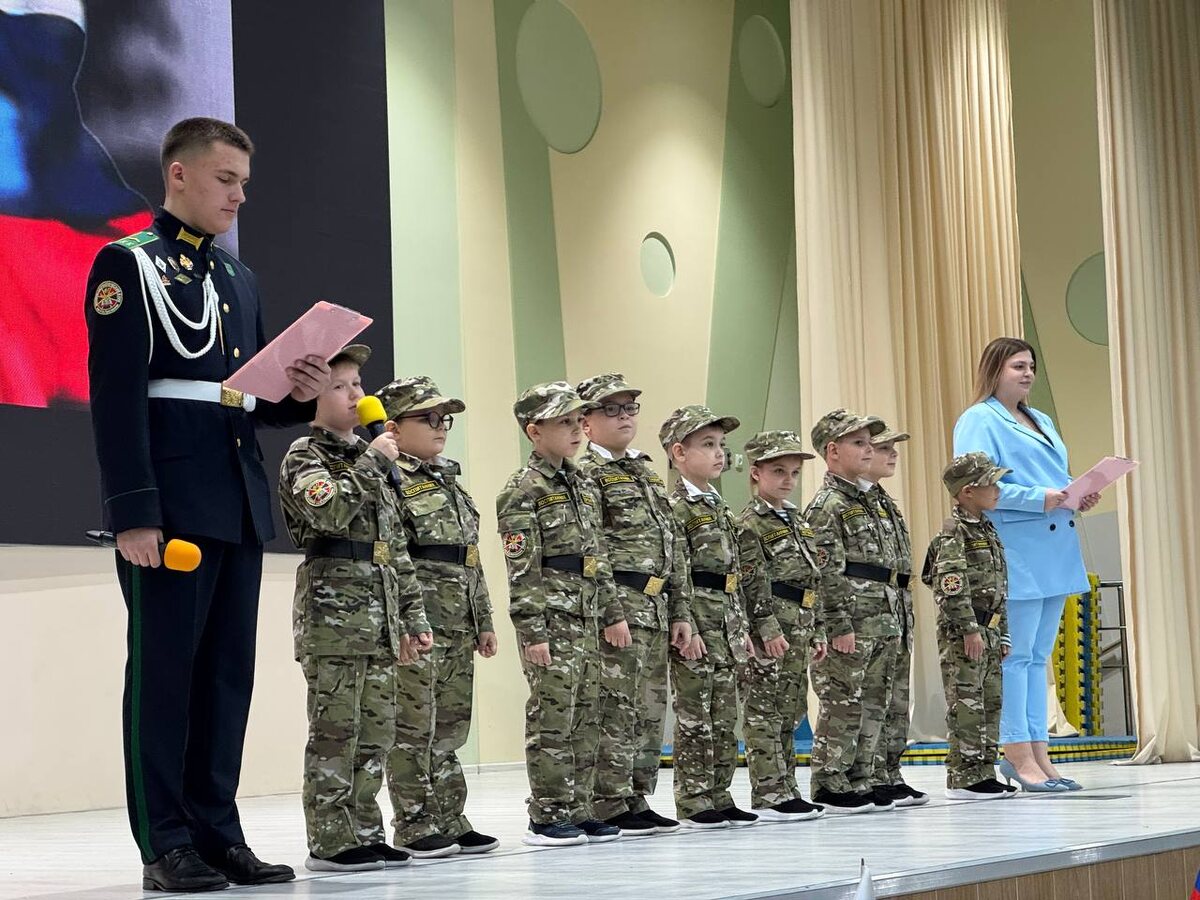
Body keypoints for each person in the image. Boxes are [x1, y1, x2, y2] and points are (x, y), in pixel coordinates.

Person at [85, 117, 330, 891]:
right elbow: (116, 399)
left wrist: (299, 394)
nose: (239, 196)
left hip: (235, 499)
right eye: (227, 180)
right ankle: (165, 843)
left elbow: (245, 399)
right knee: (165, 678)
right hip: (170, 507)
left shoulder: (237, 278)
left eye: (245, 184)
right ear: (179, 174)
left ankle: (217, 833)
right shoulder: (127, 264)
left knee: (226, 680)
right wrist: (134, 511)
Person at [278, 346, 433, 872]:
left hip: (381, 618)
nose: (354, 395)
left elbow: (395, 549)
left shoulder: (372, 457)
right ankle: (329, 840)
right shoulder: (305, 455)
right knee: (336, 732)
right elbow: (330, 514)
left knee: (376, 733)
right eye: (339, 386)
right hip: (333, 620)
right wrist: (373, 462)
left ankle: (365, 831)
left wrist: (412, 617)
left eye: (358, 384)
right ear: (313, 397)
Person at [953, 337, 1099, 792]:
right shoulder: (979, 420)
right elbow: (975, 487)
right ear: (995, 369)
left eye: (1031, 365)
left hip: (1054, 546)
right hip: (1015, 547)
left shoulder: (1042, 419)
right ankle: (1015, 752)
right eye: (1018, 365)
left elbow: (1052, 478)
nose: (1028, 373)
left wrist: (1075, 493)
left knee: (1038, 658)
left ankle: (1039, 751)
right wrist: (1042, 498)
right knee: (1014, 657)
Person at [375, 376, 500, 857]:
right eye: (428, 417)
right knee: (413, 725)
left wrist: (483, 619)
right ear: (393, 426)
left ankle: (451, 816)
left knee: (450, 725)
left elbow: (470, 557)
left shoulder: (449, 481)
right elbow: (394, 558)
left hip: (457, 622)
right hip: (420, 620)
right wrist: (407, 621)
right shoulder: (390, 480)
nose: (440, 426)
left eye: (443, 418)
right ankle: (414, 823)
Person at [496, 381, 623, 847]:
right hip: (551, 616)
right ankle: (547, 813)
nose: (576, 430)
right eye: (564, 422)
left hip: (587, 614)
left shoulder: (582, 483)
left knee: (587, 713)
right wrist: (533, 631)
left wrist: (611, 612)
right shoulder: (522, 489)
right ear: (534, 431)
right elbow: (521, 568)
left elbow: (598, 556)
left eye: (577, 421)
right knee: (553, 715)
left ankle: (579, 806)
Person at [575, 373, 693, 837]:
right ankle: (608, 799)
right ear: (585, 421)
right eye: (612, 409)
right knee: (615, 706)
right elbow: (593, 549)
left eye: (629, 408)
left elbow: (672, 545)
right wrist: (610, 612)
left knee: (649, 707)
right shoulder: (587, 475)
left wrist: (680, 611)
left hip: (655, 605)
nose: (624, 417)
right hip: (620, 603)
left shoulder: (645, 471)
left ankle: (635, 795)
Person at [659, 405, 758, 830]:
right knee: (696, 714)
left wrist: (742, 627)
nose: (720, 453)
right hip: (697, 620)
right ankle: (694, 798)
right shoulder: (675, 507)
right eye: (708, 444)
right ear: (679, 453)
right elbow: (677, 571)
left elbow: (732, 575)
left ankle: (720, 792)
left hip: (727, 621)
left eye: (721, 445)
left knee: (724, 714)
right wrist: (690, 625)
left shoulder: (718, 505)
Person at [804, 409, 899, 815]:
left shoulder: (869, 501)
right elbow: (826, 572)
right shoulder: (828, 505)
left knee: (873, 702)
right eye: (858, 443)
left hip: (881, 615)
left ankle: (861, 776)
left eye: (869, 442)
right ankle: (830, 781)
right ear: (833, 451)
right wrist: (838, 624)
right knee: (842, 702)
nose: (869, 450)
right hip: (852, 620)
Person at [735, 430, 826, 822]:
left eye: (794, 472)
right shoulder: (749, 523)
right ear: (756, 472)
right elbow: (750, 582)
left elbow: (813, 579)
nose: (788, 479)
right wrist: (765, 628)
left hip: (800, 623)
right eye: (778, 471)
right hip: (772, 623)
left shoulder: (796, 520)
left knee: (790, 708)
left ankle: (788, 787)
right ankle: (770, 792)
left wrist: (817, 629)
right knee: (764, 711)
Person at [922, 451, 1018, 800]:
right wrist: (969, 629)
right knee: (966, 704)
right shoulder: (954, 533)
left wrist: (1002, 632)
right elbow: (949, 586)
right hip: (967, 632)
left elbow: (999, 585)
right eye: (990, 484)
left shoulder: (986, 528)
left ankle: (984, 770)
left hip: (989, 629)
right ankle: (964, 776)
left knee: (990, 702)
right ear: (967, 492)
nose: (997, 490)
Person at [861, 421, 928, 807]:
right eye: (884, 448)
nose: (892, 455)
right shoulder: (845, 503)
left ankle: (888, 772)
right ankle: (867, 774)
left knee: (896, 699)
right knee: (870, 699)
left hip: (896, 610)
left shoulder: (884, 501)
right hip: (869, 614)